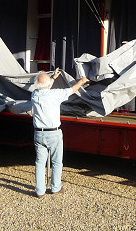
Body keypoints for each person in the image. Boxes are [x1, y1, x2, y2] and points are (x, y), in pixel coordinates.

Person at [31, 68, 88, 198]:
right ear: (48, 85)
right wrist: (82, 81)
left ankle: (40, 191)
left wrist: (53, 78)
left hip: (39, 133)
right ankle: (55, 187)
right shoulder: (55, 94)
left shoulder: (34, 94)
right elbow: (72, 90)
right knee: (57, 162)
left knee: (40, 163)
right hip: (53, 133)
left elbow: (45, 85)